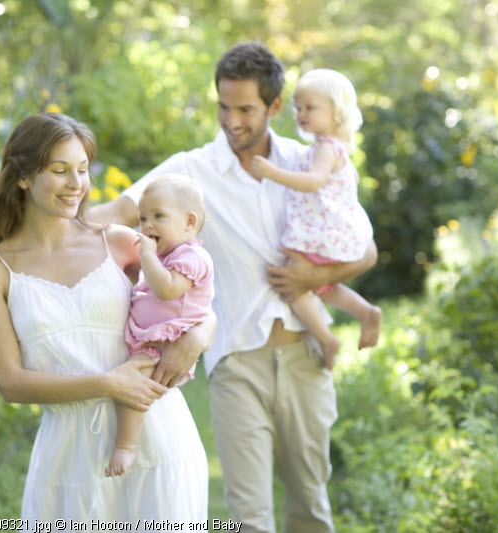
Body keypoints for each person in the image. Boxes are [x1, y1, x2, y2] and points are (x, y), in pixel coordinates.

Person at [89, 42, 378, 533]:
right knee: (250, 516)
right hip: (236, 361)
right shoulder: (191, 170)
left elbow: (365, 251)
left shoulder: (307, 164)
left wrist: (314, 277)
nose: (232, 120)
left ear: (275, 107)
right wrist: (42, 231)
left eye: (245, 108)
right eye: (224, 106)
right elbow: (116, 212)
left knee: (310, 503)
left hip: (304, 355)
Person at [0, 112, 211, 526]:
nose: (77, 183)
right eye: (60, 171)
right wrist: (107, 383)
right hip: (67, 460)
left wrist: (198, 337)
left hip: (158, 440)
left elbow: (198, 298)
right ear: (22, 177)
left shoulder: (119, 242)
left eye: (81, 169)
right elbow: (10, 382)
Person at [251, 68, 382, 370]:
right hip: (326, 230)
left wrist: (272, 173)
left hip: (323, 232)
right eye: (298, 108)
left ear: (337, 113)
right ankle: (364, 312)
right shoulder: (326, 146)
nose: (302, 114)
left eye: (311, 108)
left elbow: (313, 181)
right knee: (323, 287)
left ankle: (326, 338)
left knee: (292, 284)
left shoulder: (326, 147)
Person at [106, 173, 214, 477]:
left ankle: (125, 445)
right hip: (152, 338)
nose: (148, 225)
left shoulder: (193, 256)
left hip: (166, 342)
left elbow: (167, 289)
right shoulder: (166, 257)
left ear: (189, 222)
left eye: (158, 216)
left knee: (130, 384)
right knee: (132, 379)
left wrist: (147, 255)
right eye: (142, 218)